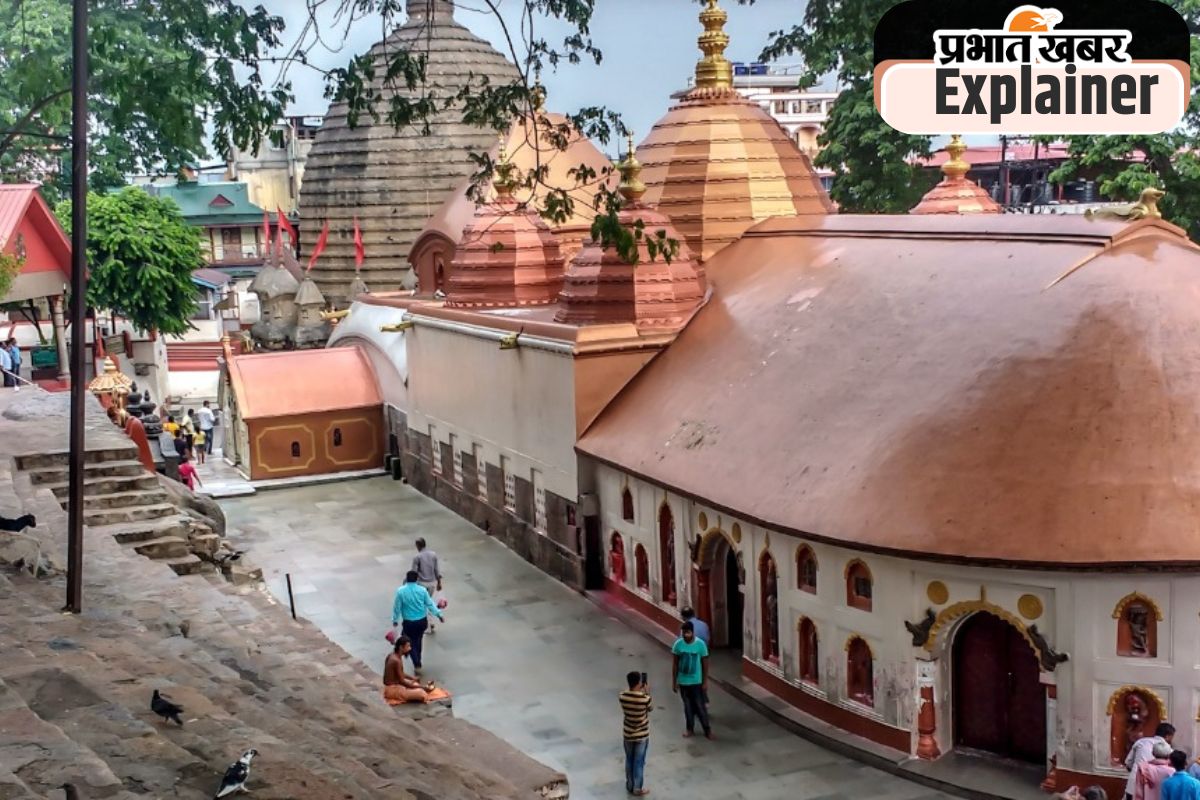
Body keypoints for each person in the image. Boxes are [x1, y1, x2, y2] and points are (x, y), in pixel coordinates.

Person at [392, 570, 444, 675]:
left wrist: (395, 620)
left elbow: (397, 607)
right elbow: (430, 604)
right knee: (418, 640)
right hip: (421, 621)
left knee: (409, 642)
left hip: (408, 622)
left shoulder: (401, 591)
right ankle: (418, 658)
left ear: (407, 579)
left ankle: (417, 662)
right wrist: (439, 614)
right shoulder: (422, 590)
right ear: (417, 579)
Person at [672, 620, 712, 739]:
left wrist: (705, 681)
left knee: (700, 707)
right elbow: (675, 664)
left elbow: (705, 664)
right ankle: (690, 729)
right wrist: (674, 682)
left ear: (693, 632)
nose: (685, 635)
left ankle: (707, 730)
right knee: (687, 707)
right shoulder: (678, 645)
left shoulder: (700, 645)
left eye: (688, 632)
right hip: (683, 682)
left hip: (696, 682)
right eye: (684, 633)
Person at [619, 671, 652, 797]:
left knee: (629, 759)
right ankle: (637, 788)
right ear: (640, 683)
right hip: (642, 735)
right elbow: (650, 708)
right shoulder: (645, 699)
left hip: (628, 733)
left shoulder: (622, 696)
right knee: (639, 761)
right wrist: (647, 692)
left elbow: (627, 693)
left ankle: (630, 785)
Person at [383, 635, 435, 705]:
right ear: (401, 647)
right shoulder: (396, 661)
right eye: (408, 646)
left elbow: (401, 673)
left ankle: (418, 688)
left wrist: (412, 678)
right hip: (392, 690)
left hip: (394, 686)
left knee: (415, 683)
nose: (410, 649)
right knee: (421, 693)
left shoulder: (393, 655)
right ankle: (420, 690)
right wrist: (422, 687)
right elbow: (402, 682)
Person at [1128, 724, 1177, 800]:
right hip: (1153, 791)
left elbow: (1128, 763)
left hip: (1132, 785)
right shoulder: (1169, 751)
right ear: (1168, 736)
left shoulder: (1141, 742)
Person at [412, 537, 442, 632]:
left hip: (421, 584)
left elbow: (414, 572)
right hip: (432, 583)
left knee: (421, 605)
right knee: (429, 602)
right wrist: (439, 583)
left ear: (418, 546)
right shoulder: (433, 555)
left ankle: (425, 625)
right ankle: (431, 622)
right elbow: (437, 570)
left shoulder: (417, 557)